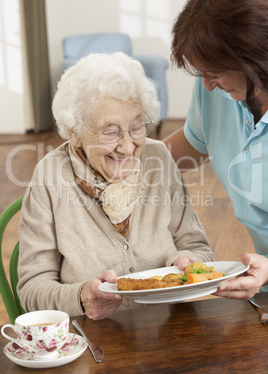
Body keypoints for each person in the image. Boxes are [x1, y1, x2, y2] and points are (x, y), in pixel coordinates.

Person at [17, 52, 214, 320]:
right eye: (110, 132)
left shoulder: (158, 158)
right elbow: (32, 288)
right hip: (93, 340)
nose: (126, 146)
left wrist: (187, 264)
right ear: (75, 132)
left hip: (169, 327)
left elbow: (199, 248)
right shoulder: (50, 178)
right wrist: (80, 298)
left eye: (136, 127)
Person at [163, 0, 268, 299]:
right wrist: (124, 162)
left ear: (253, 58)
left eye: (215, 73)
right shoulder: (217, 89)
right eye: (201, 73)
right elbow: (195, 144)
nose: (207, 84)